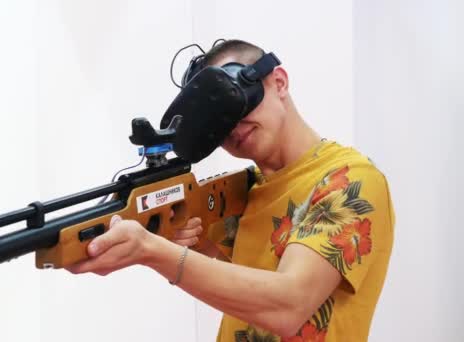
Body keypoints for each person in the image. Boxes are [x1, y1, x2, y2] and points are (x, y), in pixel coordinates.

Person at [66, 40, 394, 341]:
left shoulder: (350, 180)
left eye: (235, 104)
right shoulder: (241, 189)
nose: (232, 128)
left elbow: (288, 306)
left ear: (278, 81)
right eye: (217, 123)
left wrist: (153, 251)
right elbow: (204, 260)